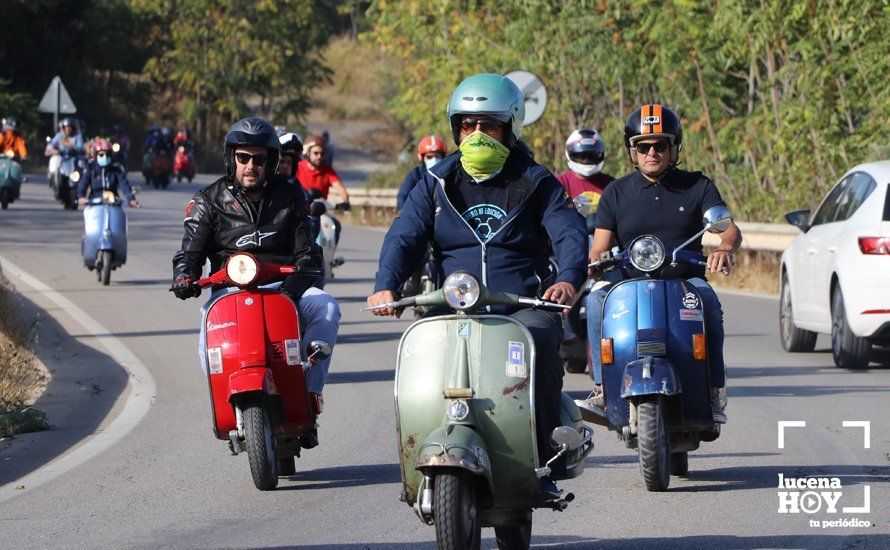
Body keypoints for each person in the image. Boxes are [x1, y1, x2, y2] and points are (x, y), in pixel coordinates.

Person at [366, 73, 587, 494]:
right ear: (456, 128)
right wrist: (386, 284)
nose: (478, 134)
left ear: (511, 126)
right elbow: (405, 236)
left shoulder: (538, 182)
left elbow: (569, 233)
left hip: (522, 301)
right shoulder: (436, 182)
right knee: (423, 351)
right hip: (453, 302)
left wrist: (567, 279)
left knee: (540, 340)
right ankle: (419, 454)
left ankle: (543, 458)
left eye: (489, 125)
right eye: (468, 125)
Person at [170, 117, 340, 447]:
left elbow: (309, 253)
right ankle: (229, 409)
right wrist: (183, 277)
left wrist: (293, 291)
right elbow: (188, 253)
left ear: (271, 162)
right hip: (228, 293)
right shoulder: (208, 200)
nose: (251, 166)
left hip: (284, 290)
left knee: (327, 307)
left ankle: (310, 393)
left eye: (259, 159)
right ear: (231, 158)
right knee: (207, 344)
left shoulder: (291, 194)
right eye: (243, 157)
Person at [577, 104, 742, 424]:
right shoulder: (615, 192)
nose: (651, 152)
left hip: (683, 281)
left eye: (660, 145)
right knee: (596, 298)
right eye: (643, 145)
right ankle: (601, 387)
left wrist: (725, 247)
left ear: (674, 148)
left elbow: (728, 228)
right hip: (626, 283)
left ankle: (713, 388)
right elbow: (599, 245)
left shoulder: (698, 186)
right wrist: (593, 262)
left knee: (707, 299)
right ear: (633, 150)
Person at [556, 129, 614, 232]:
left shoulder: (611, 185)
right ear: (571, 154)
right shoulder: (559, 184)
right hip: (572, 241)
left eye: (591, 155)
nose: (587, 160)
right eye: (582, 156)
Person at [297, 134, 350, 245]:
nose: (319, 156)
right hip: (300, 211)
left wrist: (345, 201)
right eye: (316, 153)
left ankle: (329, 260)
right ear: (307, 153)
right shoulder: (298, 167)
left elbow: (340, 188)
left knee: (335, 225)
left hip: (321, 210)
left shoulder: (327, 170)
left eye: (322, 154)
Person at [76, 138, 138, 207]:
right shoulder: (91, 170)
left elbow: (125, 186)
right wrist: (81, 197)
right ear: (95, 156)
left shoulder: (116, 170)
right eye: (101, 155)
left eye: (107, 155)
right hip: (94, 206)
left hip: (114, 204)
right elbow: (82, 185)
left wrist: (131, 199)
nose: (104, 157)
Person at [396, 134, 447, 210]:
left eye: (437, 156)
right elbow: (402, 198)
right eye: (429, 157)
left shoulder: (449, 174)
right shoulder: (415, 174)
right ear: (422, 158)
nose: (434, 159)